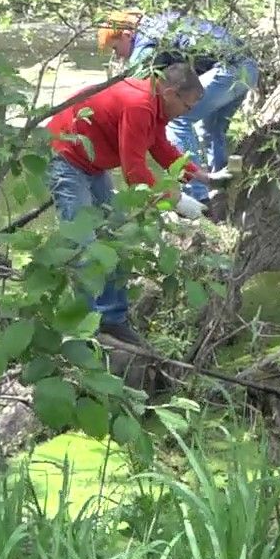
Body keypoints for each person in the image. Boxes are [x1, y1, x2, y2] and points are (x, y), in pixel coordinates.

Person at [45, 60, 206, 347]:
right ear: (170, 92)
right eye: (188, 106)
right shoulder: (139, 105)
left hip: (93, 165)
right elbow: (134, 173)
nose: (188, 113)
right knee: (85, 248)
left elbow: (159, 148)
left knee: (116, 238)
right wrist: (177, 200)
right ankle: (81, 333)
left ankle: (112, 319)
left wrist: (203, 177)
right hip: (68, 158)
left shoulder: (156, 106)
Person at [97, 9, 257, 202]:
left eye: (115, 49)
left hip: (229, 69)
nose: (119, 57)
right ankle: (219, 190)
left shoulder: (145, 41)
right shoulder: (159, 23)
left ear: (126, 35)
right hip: (248, 66)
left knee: (179, 120)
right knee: (212, 129)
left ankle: (197, 197)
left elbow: (137, 89)